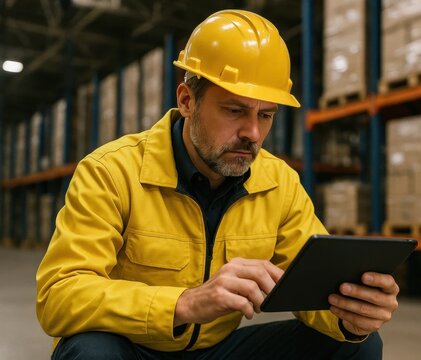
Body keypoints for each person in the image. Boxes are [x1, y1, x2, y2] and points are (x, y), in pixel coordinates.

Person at [36, 9, 400, 360]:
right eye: (234, 110)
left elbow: (315, 288)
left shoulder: (279, 184)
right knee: (90, 352)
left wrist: (351, 314)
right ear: (187, 101)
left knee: (357, 345)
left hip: (215, 351)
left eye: (266, 115)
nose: (253, 133)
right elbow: (59, 296)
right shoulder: (112, 172)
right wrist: (185, 304)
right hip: (130, 347)